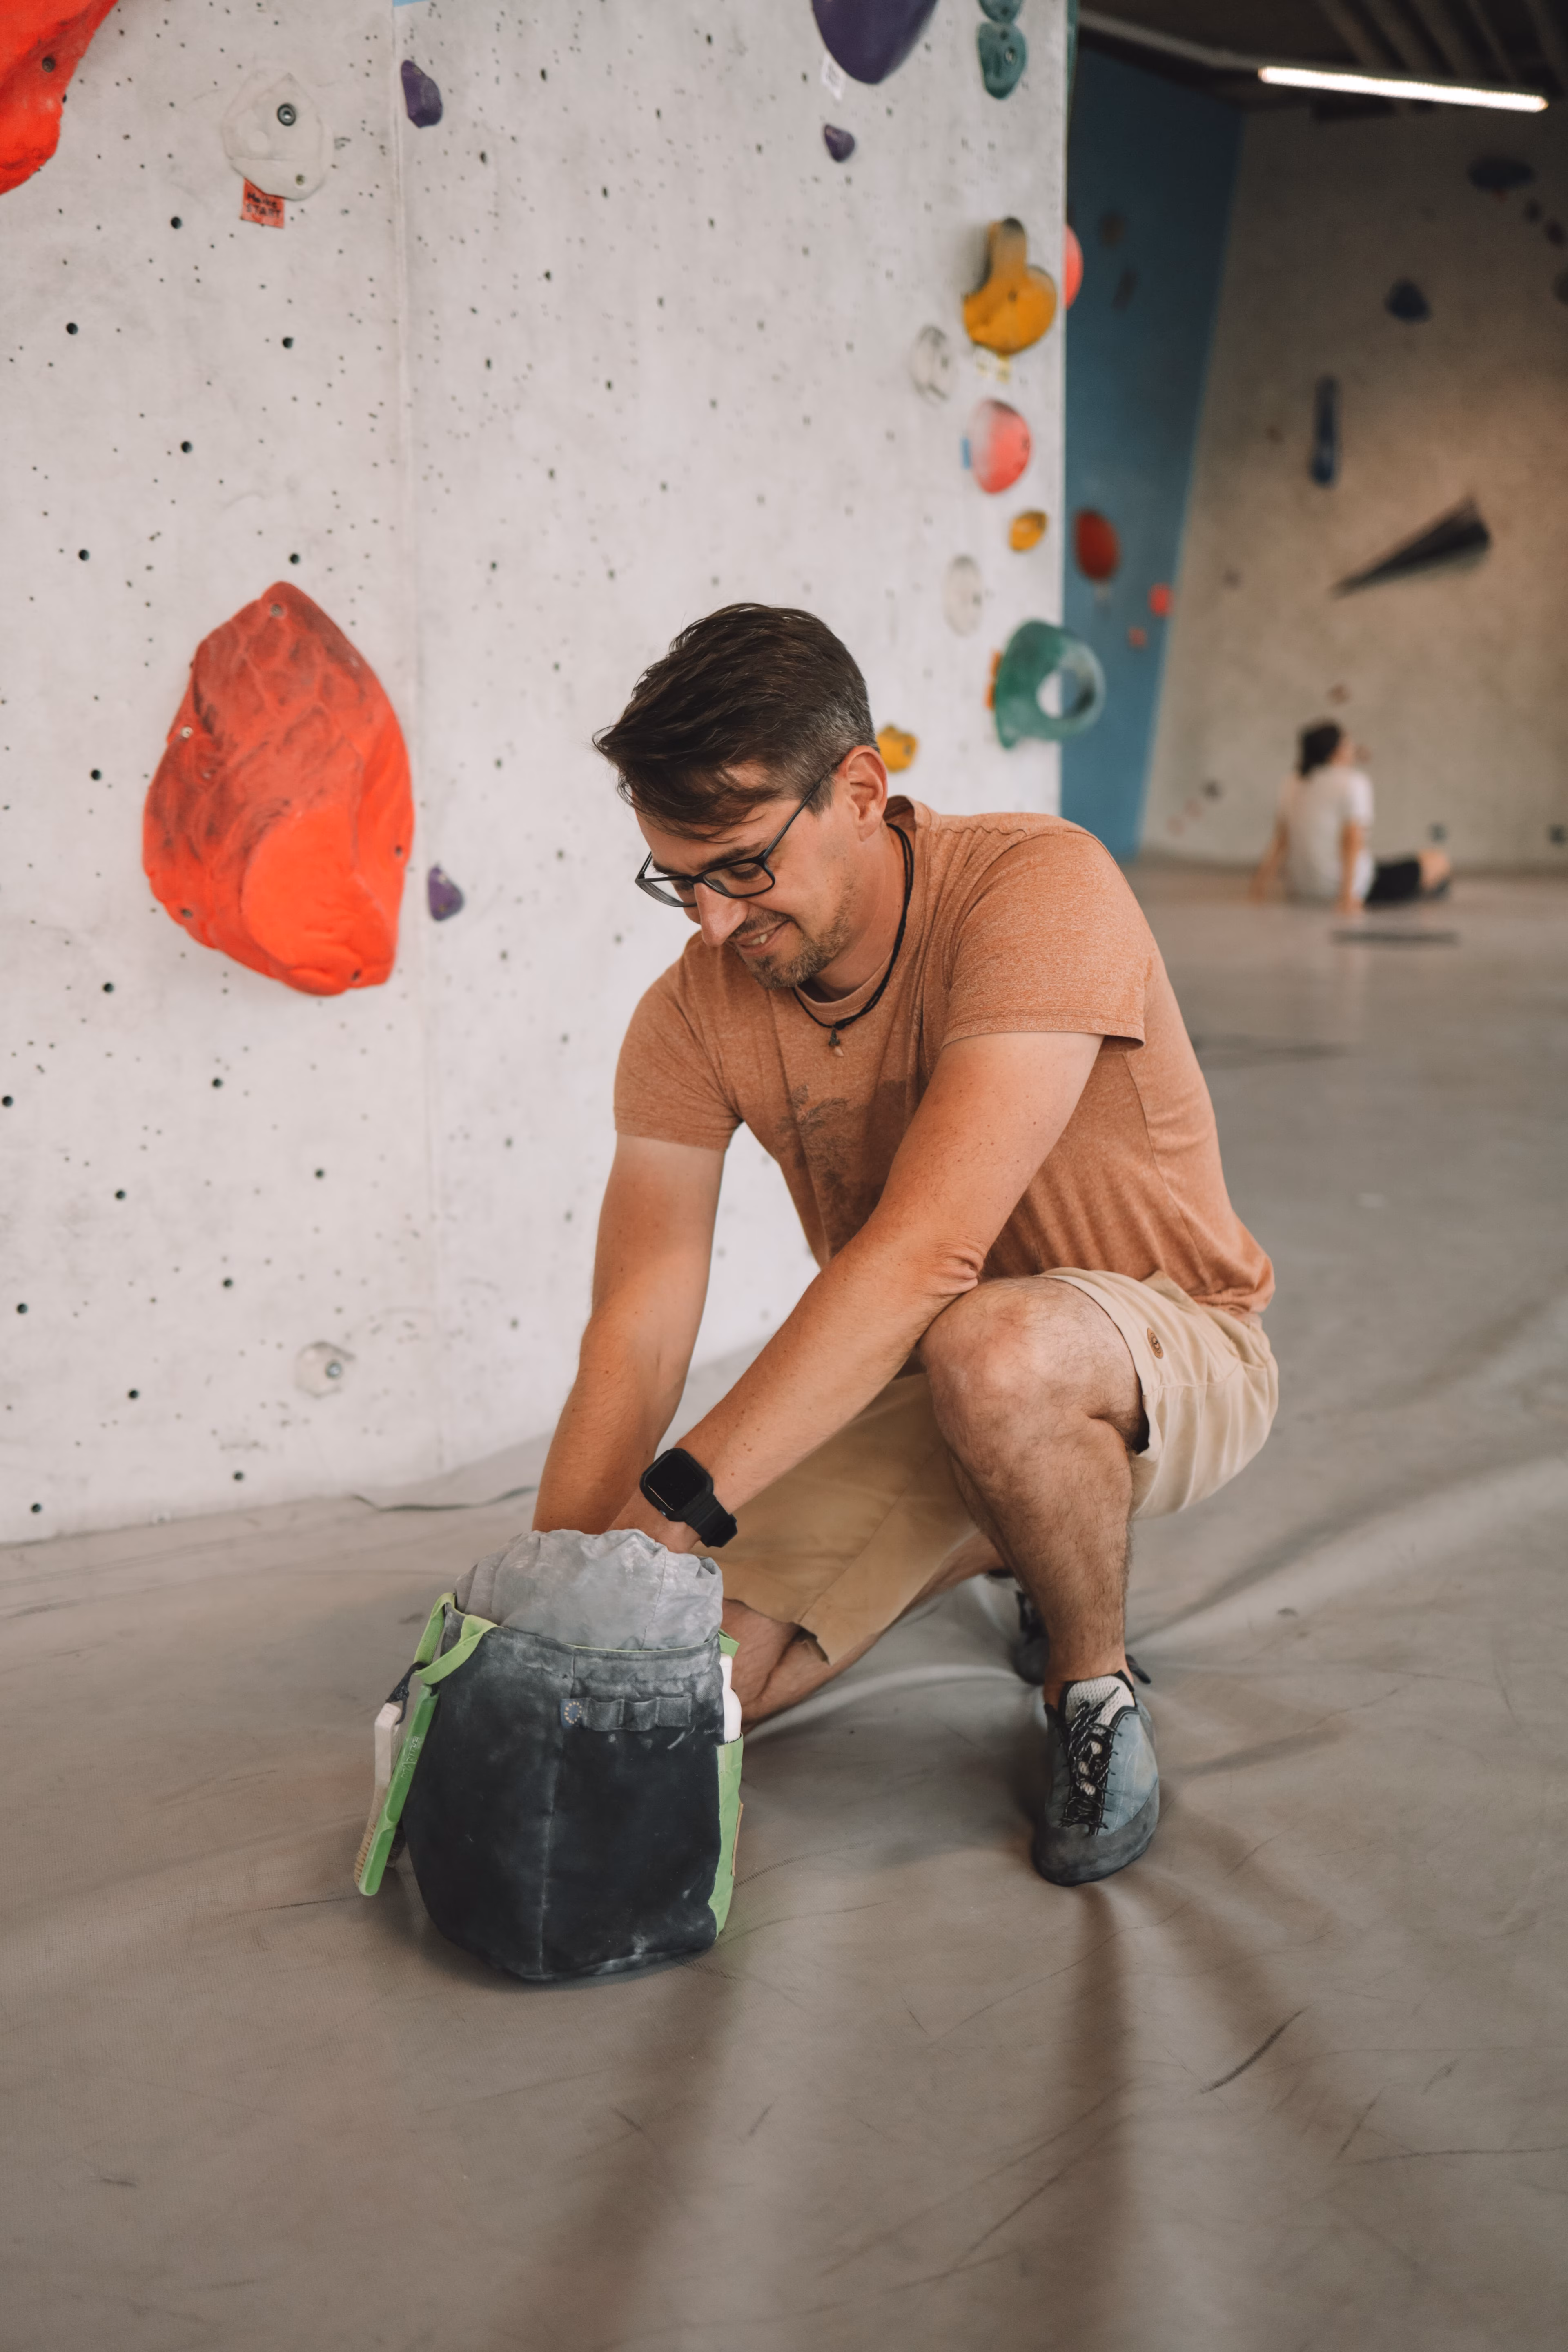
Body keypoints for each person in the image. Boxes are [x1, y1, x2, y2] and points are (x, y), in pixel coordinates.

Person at [533, 605, 1277, 1888]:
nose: (710, 923)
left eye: (741, 868)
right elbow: (640, 1319)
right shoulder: (687, 1016)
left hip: (1169, 1343)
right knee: (676, 1682)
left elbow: (931, 1253)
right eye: (677, 879)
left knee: (997, 1352)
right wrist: (551, 1594)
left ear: (861, 793)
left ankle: (1088, 1685)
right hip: (920, 1372)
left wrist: (668, 1515)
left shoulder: (1037, 888)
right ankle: (1017, 1515)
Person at [1250, 722, 1451, 914]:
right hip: (1344, 888)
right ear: (1336, 751)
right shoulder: (1353, 782)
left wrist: (1260, 885)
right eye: (1348, 743)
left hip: (1302, 888)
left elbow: (1282, 839)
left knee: (1385, 864)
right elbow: (1352, 839)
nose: (1353, 747)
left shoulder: (1293, 782)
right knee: (1438, 860)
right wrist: (1348, 895)